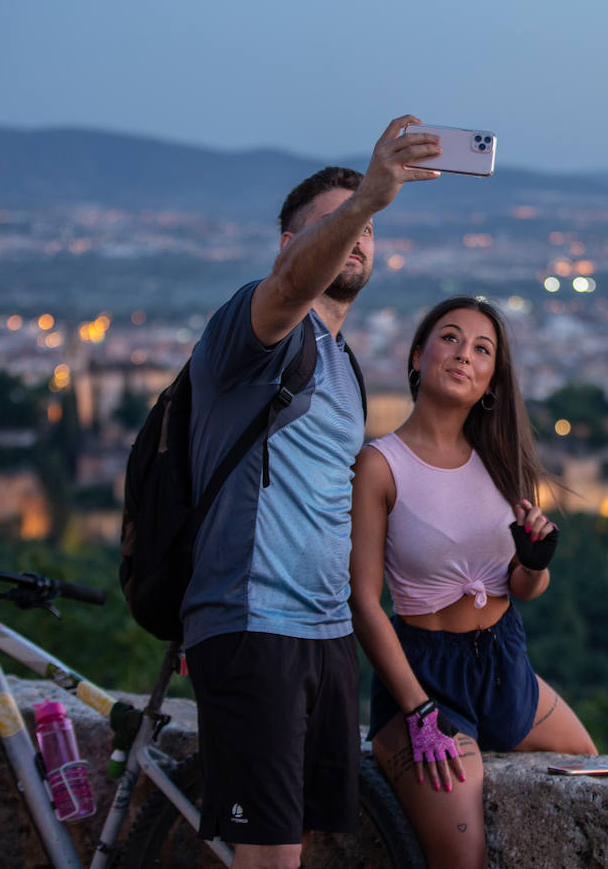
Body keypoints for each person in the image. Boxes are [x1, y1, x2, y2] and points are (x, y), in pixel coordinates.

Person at [180, 116, 442, 869]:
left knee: (302, 848)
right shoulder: (257, 327)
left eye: (364, 230)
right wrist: (366, 201)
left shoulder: (343, 363)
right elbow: (293, 285)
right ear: (288, 246)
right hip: (255, 620)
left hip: (325, 636)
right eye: (331, 225)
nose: (357, 237)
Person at [350, 296, 598, 869]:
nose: (465, 354)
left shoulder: (502, 460)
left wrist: (534, 561)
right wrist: (417, 711)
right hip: (426, 677)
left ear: (491, 380)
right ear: (418, 356)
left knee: (595, 773)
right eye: (451, 339)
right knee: (463, 861)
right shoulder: (380, 465)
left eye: (482, 349)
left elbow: (525, 589)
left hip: (507, 665)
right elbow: (363, 603)